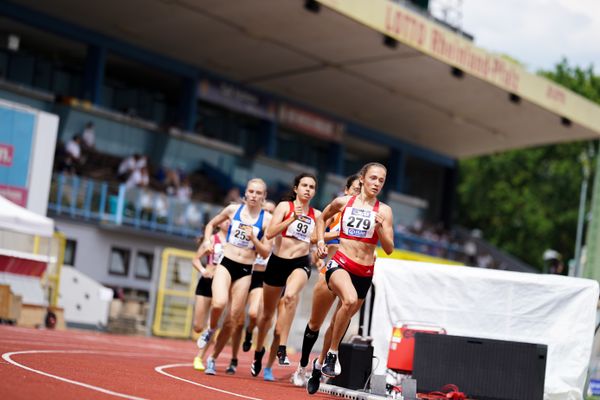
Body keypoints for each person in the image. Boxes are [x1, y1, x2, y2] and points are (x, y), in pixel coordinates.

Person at [308, 162, 394, 394]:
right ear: (363, 178)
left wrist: (380, 230)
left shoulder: (384, 211)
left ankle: (319, 365)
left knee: (338, 321)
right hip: (340, 264)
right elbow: (320, 219)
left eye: (381, 181)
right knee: (348, 299)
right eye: (373, 178)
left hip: (364, 272)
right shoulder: (343, 203)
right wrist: (321, 242)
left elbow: (389, 248)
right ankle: (334, 354)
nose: (376, 183)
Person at [197, 178, 272, 376]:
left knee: (232, 319)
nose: (254, 195)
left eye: (258, 193)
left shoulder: (267, 220)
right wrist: (207, 241)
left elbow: (265, 253)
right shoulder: (233, 210)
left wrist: (254, 238)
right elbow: (211, 224)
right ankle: (211, 330)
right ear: (245, 193)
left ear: (264, 197)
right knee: (219, 304)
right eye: (251, 191)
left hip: (246, 269)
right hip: (227, 263)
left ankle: (212, 359)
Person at [292, 174, 360, 387]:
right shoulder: (336, 211)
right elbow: (312, 237)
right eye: (356, 188)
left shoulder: (369, 216)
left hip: (354, 274)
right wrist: (330, 236)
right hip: (329, 272)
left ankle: (321, 364)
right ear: (347, 190)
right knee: (315, 323)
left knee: (338, 323)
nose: (360, 192)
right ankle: (302, 366)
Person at [251, 173, 321, 378]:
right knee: (266, 317)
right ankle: (258, 353)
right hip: (277, 263)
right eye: (304, 185)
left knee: (290, 297)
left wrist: (322, 246)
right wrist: (292, 218)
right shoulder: (284, 207)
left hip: (300, 262)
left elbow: (318, 239)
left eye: (312, 187)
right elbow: (271, 233)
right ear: (296, 189)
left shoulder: (317, 215)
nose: (308, 189)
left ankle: (280, 350)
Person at [225, 199, 276, 375]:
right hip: (246, 271)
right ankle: (233, 359)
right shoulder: (251, 226)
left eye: (272, 212)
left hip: (261, 278)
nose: (269, 214)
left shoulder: (276, 233)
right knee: (236, 320)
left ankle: (249, 332)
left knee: (254, 313)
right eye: (266, 210)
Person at [191, 218, 229, 371]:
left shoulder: (236, 241)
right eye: (225, 220)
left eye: (230, 221)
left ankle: (199, 357)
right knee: (198, 326)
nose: (227, 223)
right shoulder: (212, 239)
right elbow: (195, 259)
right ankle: (204, 332)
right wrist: (203, 271)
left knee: (212, 324)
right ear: (218, 223)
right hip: (207, 281)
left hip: (222, 283)